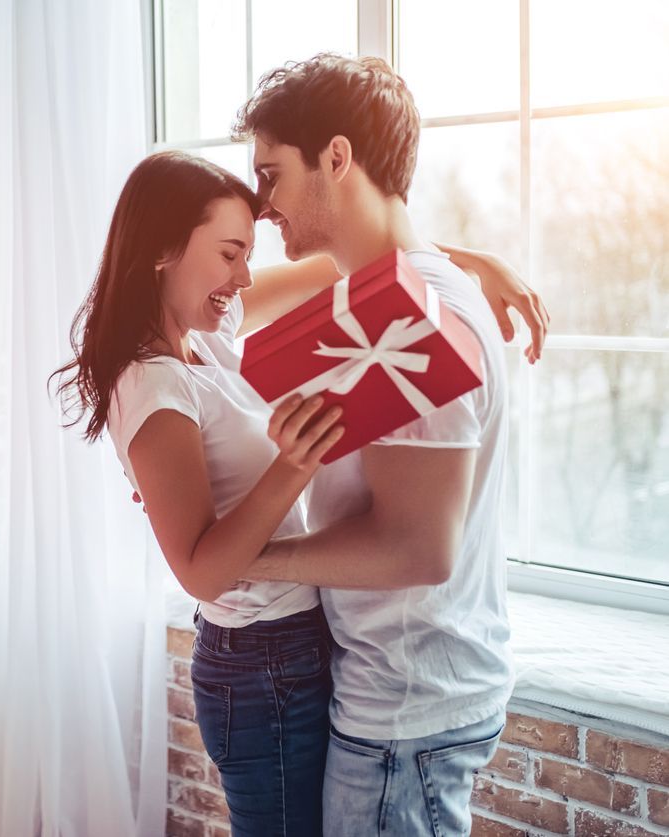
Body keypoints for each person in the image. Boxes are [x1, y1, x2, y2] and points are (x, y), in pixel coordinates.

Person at [51, 148, 546, 835]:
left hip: (297, 644)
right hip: (257, 666)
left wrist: (471, 263)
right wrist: (295, 462)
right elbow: (200, 569)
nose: (245, 276)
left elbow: (339, 262)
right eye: (229, 254)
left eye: (247, 253)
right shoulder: (157, 386)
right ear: (164, 250)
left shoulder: (208, 333)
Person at [230, 54, 542, 836]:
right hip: (411, 698)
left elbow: (415, 547)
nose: (263, 208)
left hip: (406, 715)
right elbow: (223, 306)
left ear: (336, 157)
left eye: (271, 174)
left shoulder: (407, 326)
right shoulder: (396, 295)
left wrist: (242, 554)